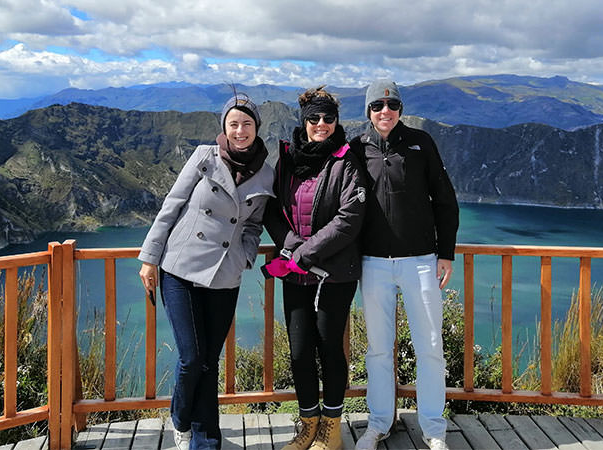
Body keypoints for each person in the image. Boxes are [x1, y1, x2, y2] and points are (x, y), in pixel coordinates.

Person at [137, 93, 274, 450]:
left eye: (247, 124)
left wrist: (244, 256)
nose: (240, 131)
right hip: (180, 269)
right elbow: (172, 205)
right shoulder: (204, 157)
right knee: (192, 357)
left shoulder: (266, 173)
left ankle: (206, 438)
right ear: (224, 128)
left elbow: (254, 225)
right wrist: (149, 257)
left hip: (224, 275)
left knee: (209, 361)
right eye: (233, 124)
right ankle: (180, 418)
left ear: (257, 128)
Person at [349, 79, 459, 450]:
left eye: (392, 105)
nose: (385, 112)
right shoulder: (356, 148)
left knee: (429, 345)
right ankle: (378, 423)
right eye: (377, 106)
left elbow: (445, 199)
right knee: (378, 348)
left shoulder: (421, 143)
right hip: (374, 263)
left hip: (422, 261)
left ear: (400, 108)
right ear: (368, 111)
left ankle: (433, 427)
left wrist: (446, 253)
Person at [263, 86, 367, 450]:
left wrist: (303, 253)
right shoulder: (288, 159)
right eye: (314, 118)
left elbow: (349, 219)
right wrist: (292, 248)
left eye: (328, 118)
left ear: (336, 121)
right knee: (299, 348)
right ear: (303, 121)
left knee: (328, 347)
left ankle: (331, 428)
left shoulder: (346, 160)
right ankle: (308, 423)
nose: (321, 124)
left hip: (335, 272)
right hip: (294, 269)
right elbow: (272, 210)